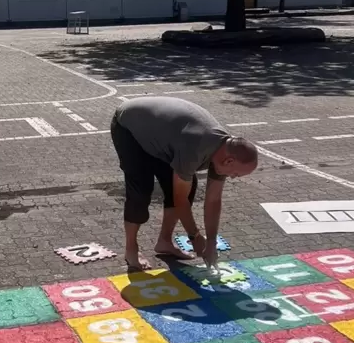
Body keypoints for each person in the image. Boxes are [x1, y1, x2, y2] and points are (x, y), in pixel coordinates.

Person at [110, 97, 258, 271]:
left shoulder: (223, 152)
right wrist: (195, 237)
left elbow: (213, 200)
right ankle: (131, 250)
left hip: (164, 136)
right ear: (229, 161)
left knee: (188, 185)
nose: (233, 177)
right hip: (129, 127)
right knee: (140, 190)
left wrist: (211, 242)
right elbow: (180, 200)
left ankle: (164, 242)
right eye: (236, 173)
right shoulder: (195, 149)